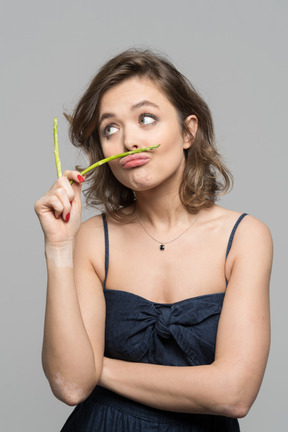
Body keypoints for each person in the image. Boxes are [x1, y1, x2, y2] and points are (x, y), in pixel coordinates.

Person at [34, 49, 273, 431]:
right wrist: (59, 247)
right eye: (110, 128)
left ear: (188, 131)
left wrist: (100, 367)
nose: (129, 140)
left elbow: (234, 393)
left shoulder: (245, 237)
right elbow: (71, 384)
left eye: (146, 119)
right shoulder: (94, 239)